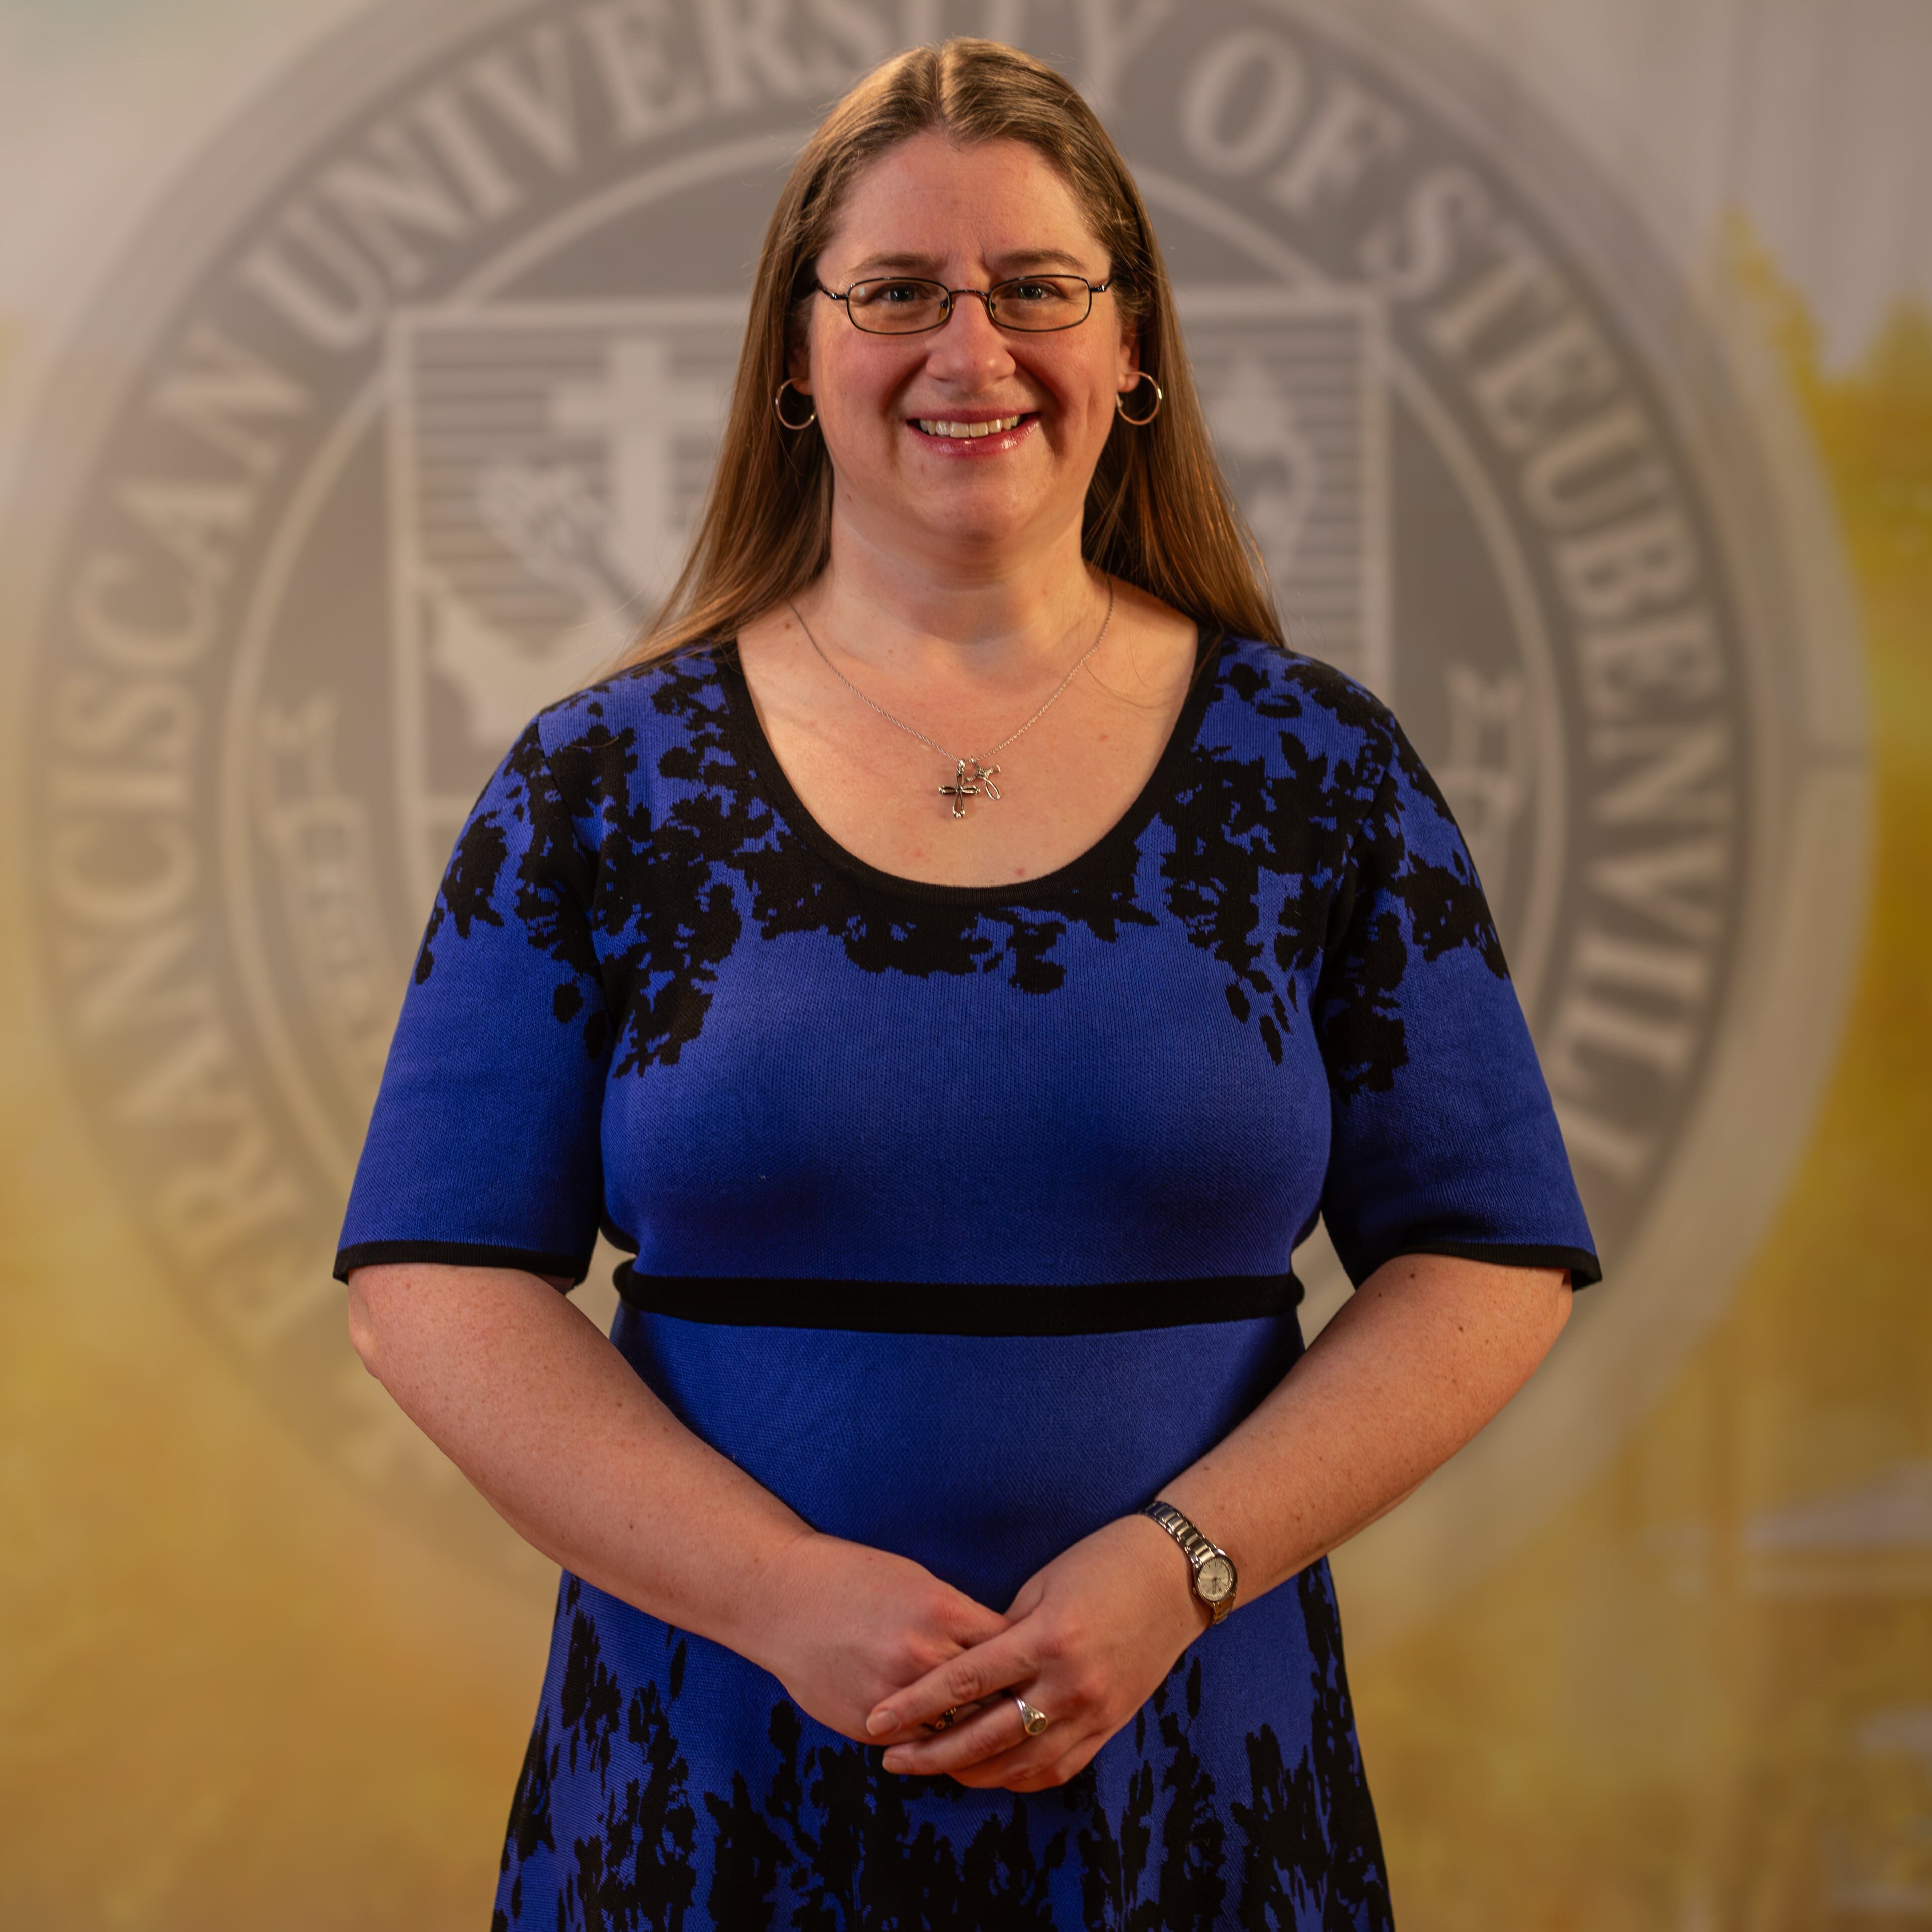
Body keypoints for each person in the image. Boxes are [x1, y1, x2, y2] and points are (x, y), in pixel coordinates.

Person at [339, 37, 1598, 1931]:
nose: (971, 348)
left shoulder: (1320, 775)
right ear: (795, 353)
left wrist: (1182, 1565)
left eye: (1035, 289)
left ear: (1133, 342)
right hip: (703, 1786)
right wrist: (774, 1594)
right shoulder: (596, 783)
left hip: (1199, 1784)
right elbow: (428, 1287)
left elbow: (1490, 1260)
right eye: (899, 293)